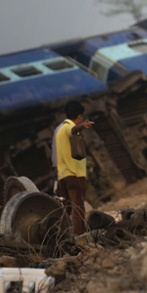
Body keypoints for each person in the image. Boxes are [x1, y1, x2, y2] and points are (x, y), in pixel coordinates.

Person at [55, 100, 94, 235]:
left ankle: (61, 235)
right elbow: (73, 129)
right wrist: (83, 125)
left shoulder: (59, 132)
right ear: (79, 116)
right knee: (78, 208)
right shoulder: (67, 128)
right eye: (81, 117)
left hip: (64, 174)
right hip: (74, 174)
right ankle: (80, 237)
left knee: (66, 210)